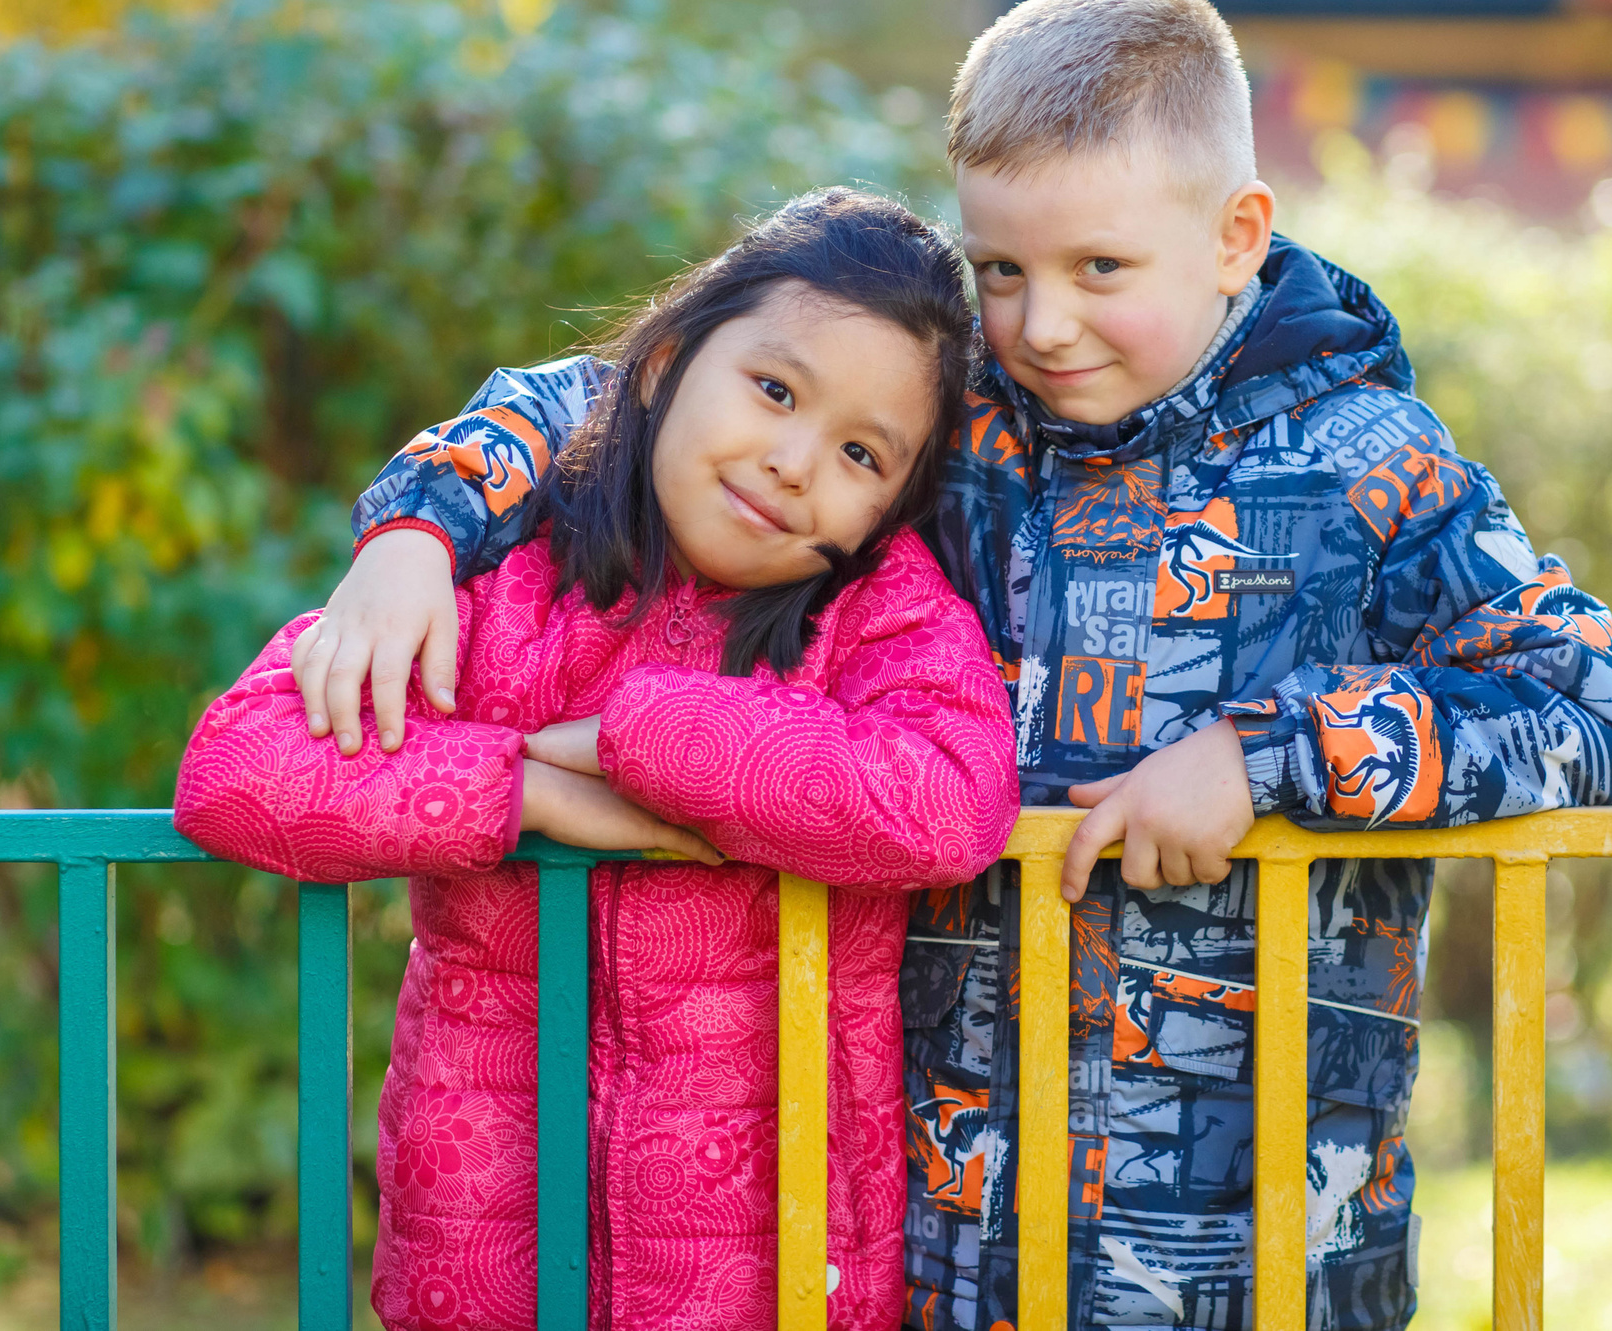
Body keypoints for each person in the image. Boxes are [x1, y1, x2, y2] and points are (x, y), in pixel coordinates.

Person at [300, 0, 1612, 1329]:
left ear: (1238, 235)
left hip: (1262, 1241)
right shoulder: (966, 428)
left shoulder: (1371, 462)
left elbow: (1582, 707)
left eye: (1098, 270)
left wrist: (1268, 758)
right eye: (1002, 268)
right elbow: (628, 387)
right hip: (953, 1234)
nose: (1042, 323)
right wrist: (421, 523)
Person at [172, 191, 1022, 1331]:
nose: (790, 462)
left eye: (860, 454)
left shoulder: (877, 618)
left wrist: (644, 737)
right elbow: (240, 767)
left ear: (891, 506)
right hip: (484, 1241)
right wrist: (524, 793)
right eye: (774, 390)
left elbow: (954, 799)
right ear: (667, 362)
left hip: (775, 1269)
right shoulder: (507, 589)